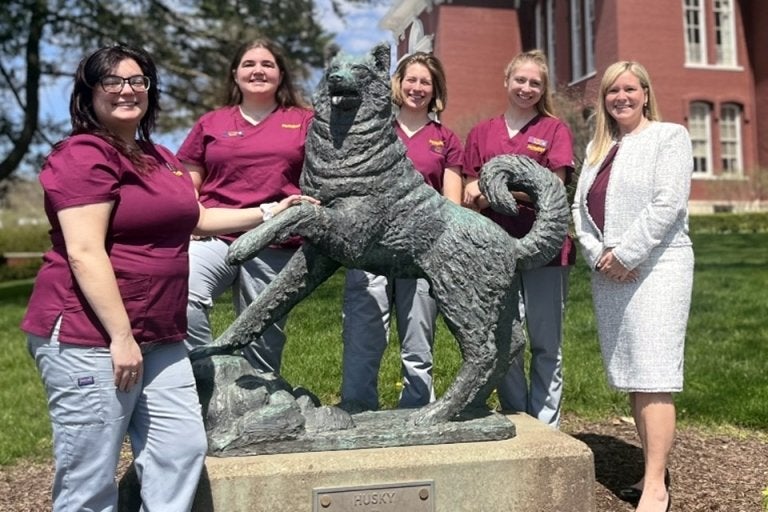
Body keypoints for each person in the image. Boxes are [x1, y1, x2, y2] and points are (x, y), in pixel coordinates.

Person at [20, 44, 313, 511]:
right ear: (89, 92)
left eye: (137, 80)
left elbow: (198, 217)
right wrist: (121, 337)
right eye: (112, 81)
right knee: (90, 476)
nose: (127, 90)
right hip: (90, 335)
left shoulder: (158, 156)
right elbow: (84, 251)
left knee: (180, 450)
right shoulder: (83, 155)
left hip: (161, 335)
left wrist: (271, 211)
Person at [572, 60, 693, 512]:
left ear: (645, 93)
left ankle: (657, 487)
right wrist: (599, 256)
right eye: (612, 91)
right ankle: (648, 471)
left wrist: (627, 254)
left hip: (657, 268)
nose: (620, 97)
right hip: (611, 274)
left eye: (629, 89)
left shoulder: (669, 137)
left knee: (654, 374)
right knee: (635, 375)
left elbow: (668, 202)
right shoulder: (598, 148)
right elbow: (579, 210)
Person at [177, 38, 313, 374]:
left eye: (267, 64)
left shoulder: (305, 121)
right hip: (216, 236)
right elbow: (188, 180)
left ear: (281, 74)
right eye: (249, 64)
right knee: (182, 294)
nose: (258, 71)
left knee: (262, 334)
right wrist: (190, 218)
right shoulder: (211, 123)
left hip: (276, 240)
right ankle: (209, 376)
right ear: (235, 73)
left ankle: (262, 393)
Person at [340, 52, 464, 410]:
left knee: (418, 344)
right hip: (370, 250)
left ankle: (417, 410)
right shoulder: (374, 130)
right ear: (399, 83)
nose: (417, 88)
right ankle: (357, 410)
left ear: (435, 89)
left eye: (426, 82)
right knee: (363, 339)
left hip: (421, 254)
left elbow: (451, 204)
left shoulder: (446, 139)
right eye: (411, 79)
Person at [463, 49, 575, 428]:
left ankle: (546, 426)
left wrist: (494, 190)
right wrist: (507, 190)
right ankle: (518, 417)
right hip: (495, 249)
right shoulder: (481, 133)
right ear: (506, 81)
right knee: (505, 339)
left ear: (543, 89)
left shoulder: (554, 131)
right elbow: (469, 191)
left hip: (546, 250)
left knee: (546, 343)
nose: (526, 88)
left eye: (535, 83)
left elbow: (553, 189)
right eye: (520, 80)